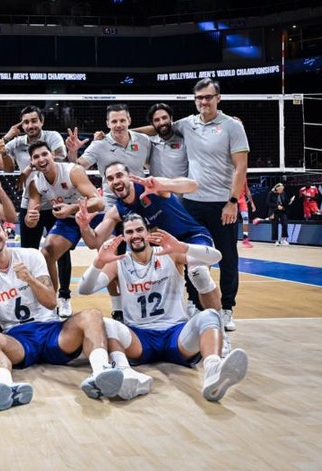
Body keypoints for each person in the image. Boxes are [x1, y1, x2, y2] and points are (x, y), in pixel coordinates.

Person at [78, 214, 248, 402]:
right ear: (124, 237)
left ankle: (213, 370)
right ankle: (126, 374)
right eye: (129, 232)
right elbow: (85, 289)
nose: (135, 235)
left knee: (209, 315)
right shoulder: (119, 262)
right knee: (106, 324)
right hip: (140, 337)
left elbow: (217, 256)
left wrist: (183, 247)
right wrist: (98, 263)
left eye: (139, 230)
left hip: (175, 334)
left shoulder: (170, 253)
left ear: (148, 232)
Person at [0, 214, 125, 410]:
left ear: (6, 233)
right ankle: (7, 387)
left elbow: (51, 302)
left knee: (92, 314)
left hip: (51, 330)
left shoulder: (32, 256)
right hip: (19, 339)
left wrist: (30, 279)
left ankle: (101, 373)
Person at [75, 163, 227, 326]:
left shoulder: (152, 185)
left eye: (119, 175)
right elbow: (94, 241)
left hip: (191, 237)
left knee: (199, 273)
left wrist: (164, 184)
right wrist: (84, 227)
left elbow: (192, 185)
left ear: (129, 176)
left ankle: (219, 328)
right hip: (163, 251)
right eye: (110, 178)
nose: (115, 181)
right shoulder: (117, 211)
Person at [172, 78, 249, 336]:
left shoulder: (232, 126)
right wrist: (123, 131)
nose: (203, 102)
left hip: (221, 204)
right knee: (193, 257)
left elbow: (240, 166)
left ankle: (226, 308)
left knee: (227, 258)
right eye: (199, 98)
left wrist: (232, 201)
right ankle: (194, 304)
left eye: (208, 97)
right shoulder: (187, 124)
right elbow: (157, 128)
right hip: (192, 204)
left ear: (218, 98)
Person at [2, 106, 76, 320]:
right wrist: (6, 139)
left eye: (34, 121)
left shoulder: (52, 137)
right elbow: (5, 165)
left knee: (60, 253)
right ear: (21, 125)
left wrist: (28, 168)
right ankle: (35, 296)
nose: (30, 125)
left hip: (56, 202)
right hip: (30, 203)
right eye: (26, 122)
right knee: (29, 254)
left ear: (41, 122)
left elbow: (59, 160)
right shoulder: (16, 143)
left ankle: (64, 297)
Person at [24, 140, 104, 318]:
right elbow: (31, 218)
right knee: (46, 253)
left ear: (52, 154)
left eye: (44, 154)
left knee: (109, 256)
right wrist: (30, 218)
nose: (41, 159)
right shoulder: (35, 183)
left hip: (94, 216)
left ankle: (120, 306)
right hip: (69, 220)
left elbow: (98, 202)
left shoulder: (72, 171)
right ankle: (55, 302)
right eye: (36, 157)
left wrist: (72, 208)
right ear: (32, 161)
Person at [64, 104, 151, 207]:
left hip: (140, 198)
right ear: (108, 124)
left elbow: (150, 164)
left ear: (129, 121)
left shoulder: (143, 140)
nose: (118, 125)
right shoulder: (99, 144)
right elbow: (78, 167)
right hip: (112, 201)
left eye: (122, 120)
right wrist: (73, 152)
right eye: (114, 121)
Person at [145, 103, 188, 180]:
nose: (162, 122)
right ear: (152, 124)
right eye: (157, 120)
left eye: (164, 118)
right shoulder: (149, 143)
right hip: (157, 191)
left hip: (181, 191)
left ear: (171, 118)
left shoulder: (185, 141)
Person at [238, 180, 256, 248]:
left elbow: (247, 190)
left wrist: (252, 203)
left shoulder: (243, 177)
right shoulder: (231, 175)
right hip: (232, 199)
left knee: (245, 219)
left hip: (242, 200)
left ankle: (245, 238)